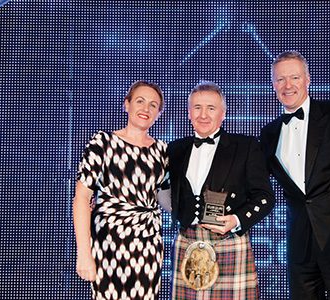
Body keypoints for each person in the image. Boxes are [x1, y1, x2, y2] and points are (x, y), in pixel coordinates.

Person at [260, 51, 330, 299]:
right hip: (300, 250)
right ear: (273, 85)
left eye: (294, 77)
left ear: (307, 79)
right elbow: (255, 184)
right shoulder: (269, 134)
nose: (287, 85)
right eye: (280, 80)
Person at [167, 81, 275, 299]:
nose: (203, 115)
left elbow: (265, 197)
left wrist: (236, 220)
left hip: (228, 243)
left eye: (211, 108)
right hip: (187, 242)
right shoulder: (175, 149)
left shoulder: (245, 146)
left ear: (223, 114)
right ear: (189, 113)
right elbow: (157, 186)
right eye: (197, 108)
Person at [73, 80, 168, 299]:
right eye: (140, 101)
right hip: (108, 242)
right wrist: (84, 254)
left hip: (148, 245)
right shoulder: (103, 142)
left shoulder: (162, 150)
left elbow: (166, 198)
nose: (146, 109)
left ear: (159, 113)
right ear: (127, 104)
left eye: (153, 105)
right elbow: (82, 199)